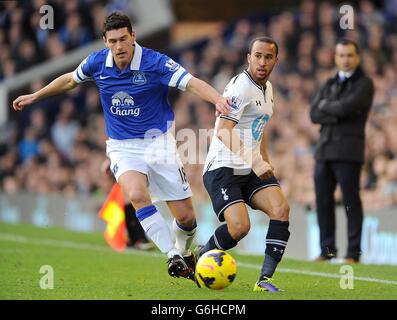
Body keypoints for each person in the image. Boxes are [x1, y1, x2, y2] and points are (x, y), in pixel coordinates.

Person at [13, 12, 230, 281]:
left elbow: (191, 83)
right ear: (105, 41)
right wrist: (35, 95)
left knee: (187, 218)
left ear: (133, 37)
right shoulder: (96, 63)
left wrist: (217, 99)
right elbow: (69, 79)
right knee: (138, 195)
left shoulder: (154, 62)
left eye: (123, 39)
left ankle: (184, 252)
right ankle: (172, 255)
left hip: (159, 144)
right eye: (113, 41)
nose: (119, 46)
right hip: (122, 146)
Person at [198, 36, 290, 292]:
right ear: (248, 58)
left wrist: (265, 163)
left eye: (268, 57)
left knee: (281, 209)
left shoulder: (268, 89)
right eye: (257, 56)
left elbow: (259, 129)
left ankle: (265, 280)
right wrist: (256, 162)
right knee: (239, 228)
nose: (262, 62)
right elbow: (223, 131)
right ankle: (202, 256)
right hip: (223, 166)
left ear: (275, 61)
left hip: (250, 167)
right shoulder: (240, 87)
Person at [310, 39, 374, 264]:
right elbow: (313, 114)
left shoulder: (365, 84)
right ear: (335, 58)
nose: (345, 59)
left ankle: (353, 252)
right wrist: (336, 111)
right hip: (324, 150)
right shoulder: (328, 83)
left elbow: (347, 107)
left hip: (348, 151)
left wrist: (328, 107)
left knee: (350, 201)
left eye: (349, 55)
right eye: (341, 55)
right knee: (323, 201)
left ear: (357, 57)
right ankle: (327, 250)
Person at [101, 157, 154, 251]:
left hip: (132, 157)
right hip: (125, 157)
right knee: (127, 195)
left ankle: (137, 237)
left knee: (130, 194)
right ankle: (137, 237)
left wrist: (110, 159)